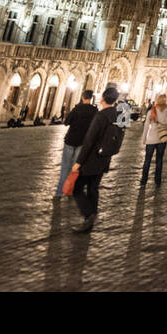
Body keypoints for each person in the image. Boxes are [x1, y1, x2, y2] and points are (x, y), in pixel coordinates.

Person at [70, 86, 123, 233]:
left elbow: (89, 141)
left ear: (102, 98)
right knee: (93, 188)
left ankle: (89, 214)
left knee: (77, 188)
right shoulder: (118, 115)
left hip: (92, 159)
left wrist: (78, 162)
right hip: (105, 157)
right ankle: (90, 219)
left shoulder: (101, 115)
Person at [56, 90, 98, 198]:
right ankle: (71, 190)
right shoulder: (94, 111)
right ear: (91, 98)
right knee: (76, 167)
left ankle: (60, 192)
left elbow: (66, 122)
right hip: (82, 142)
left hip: (70, 140)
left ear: (82, 97)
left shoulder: (77, 109)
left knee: (65, 167)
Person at [140, 93, 167, 188]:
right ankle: (158, 181)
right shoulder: (166, 110)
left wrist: (144, 139)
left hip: (151, 140)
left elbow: (146, 127)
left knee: (147, 161)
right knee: (159, 161)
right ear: (165, 101)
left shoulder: (150, 112)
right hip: (162, 139)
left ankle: (143, 180)